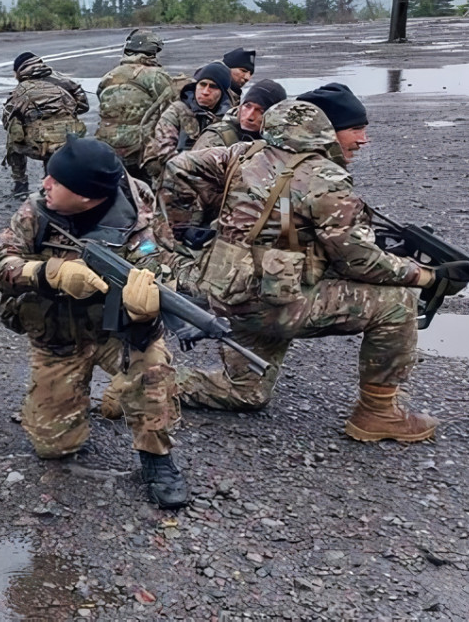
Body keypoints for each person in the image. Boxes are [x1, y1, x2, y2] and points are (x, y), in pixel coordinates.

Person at [158, 91, 446, 442]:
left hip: (231, 297)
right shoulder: (324, 177)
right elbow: (360, 261)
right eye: (356, 129)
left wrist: (183, 227)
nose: (363, 139)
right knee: (398, 305)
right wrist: (425, 275)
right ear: (325, 131)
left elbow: (179, 166)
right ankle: (378, 413)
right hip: (273, 305)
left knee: (247, 394)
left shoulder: (244, 154)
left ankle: (146, 387)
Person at [0, 138, 190, 509]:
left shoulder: (138, 209)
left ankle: (157, 458)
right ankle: (102, 396)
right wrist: (49, 273)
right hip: (58, 335)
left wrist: (147, 300)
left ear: (87, 197)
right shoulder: (36, 210)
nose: (45, 184)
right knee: (54, 446)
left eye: (56, 181)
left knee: (152, 367)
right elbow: (0, 266)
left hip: (120, 333)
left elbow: (163, 260)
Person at [2, 52, 90, 199]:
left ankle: (20, 184)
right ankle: (51, 178)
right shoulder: (63, 81)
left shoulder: (21, 90)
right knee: (55, 133)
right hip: (69, 142)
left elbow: (7, 119)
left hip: (40, 144)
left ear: (20, 71)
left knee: (14, 134)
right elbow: (83, 106)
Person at [95, 28, 177, 182]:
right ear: (152, 51)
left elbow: (101, 99)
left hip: (107, 145)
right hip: (140, 148)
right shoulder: (155, 76)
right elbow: (173, 107)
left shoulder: (109, 76)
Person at [141, 62, 233, 185]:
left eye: (213, 87)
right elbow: (164, 151)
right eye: (202, 84)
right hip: (176, 179)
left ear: (222, 92)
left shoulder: (229, 117)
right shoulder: (177, 110)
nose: (205, 91)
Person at [192, 79, 287, 150]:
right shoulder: (216, 138)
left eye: (261, 111)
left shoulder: (283, 142)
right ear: (240, 106)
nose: (250, 116)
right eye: (247, 106)